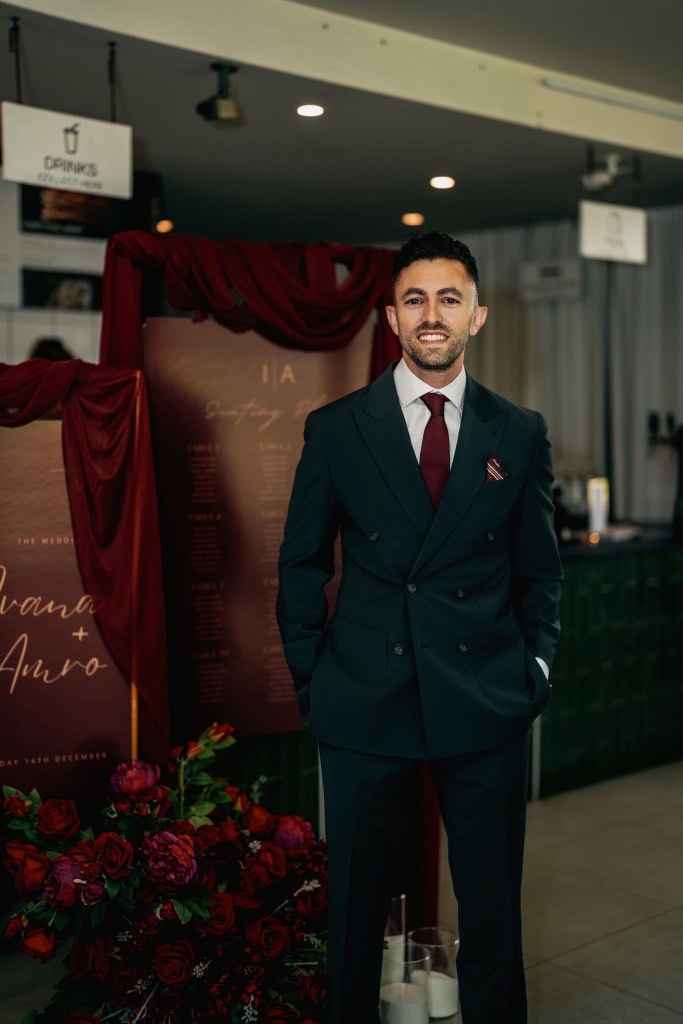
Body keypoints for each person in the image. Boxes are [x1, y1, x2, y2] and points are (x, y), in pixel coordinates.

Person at [277, 232, 563, 1023]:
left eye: (447, 298)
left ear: (477, 315)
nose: (430, 314)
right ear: (391, 317)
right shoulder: (337, 428)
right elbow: (300, 563)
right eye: (413, 299)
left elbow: (539, 571)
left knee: (492, 910)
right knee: (353, 912)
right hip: (363, 698)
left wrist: (535, 671)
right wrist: (312, 679)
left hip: (485, 696)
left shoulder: (518, 431)